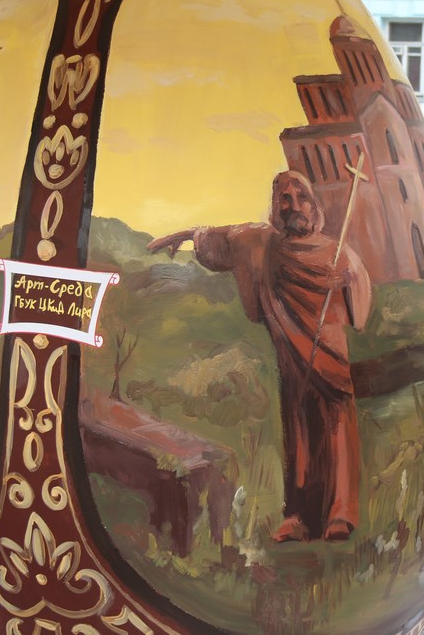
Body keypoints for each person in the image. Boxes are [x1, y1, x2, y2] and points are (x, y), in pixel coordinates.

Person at [148, 170, 372, 543]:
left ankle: (339, 513)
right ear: (275, 205)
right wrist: (185, 235)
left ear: (313, 205)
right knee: (298, 433)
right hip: (292, 359)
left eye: (300, 198)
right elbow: (224, 237)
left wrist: (345, 282)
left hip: (329, 360)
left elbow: (360, 309)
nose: (293, 206)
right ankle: (299, 516)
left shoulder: (338, 253)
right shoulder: (264, 244)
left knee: (334, 429)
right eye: (285, 198)